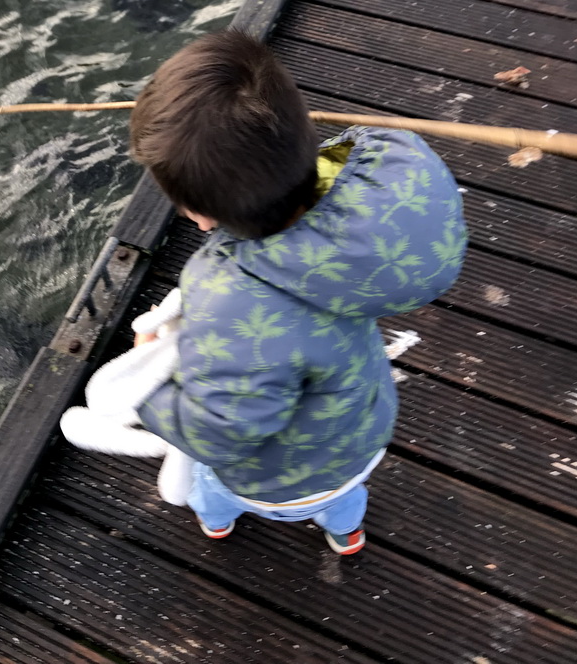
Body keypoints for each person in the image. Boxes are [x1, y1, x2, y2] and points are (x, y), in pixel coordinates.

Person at [129, 29, 467, 554]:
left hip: (278, 482)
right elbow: (341, 150)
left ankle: (217, 523)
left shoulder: (231, 302)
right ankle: (346, 532)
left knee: (210, 489)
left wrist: (145, 387)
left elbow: (219, 431)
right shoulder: (385, 188)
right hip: (363, 434)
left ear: (199, 216)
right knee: (342, 499)